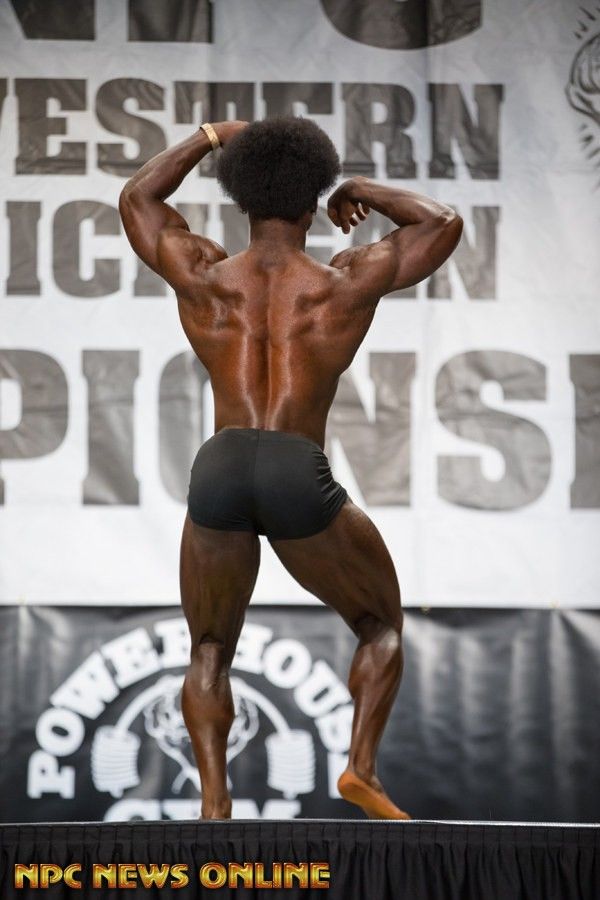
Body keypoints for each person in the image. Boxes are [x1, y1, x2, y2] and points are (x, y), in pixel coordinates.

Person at [119, 117, 462, 820]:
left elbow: (137, 199)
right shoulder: (344, 282)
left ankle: (214, 805)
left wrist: (210, 136)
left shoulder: (203, 273)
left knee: (209, 646)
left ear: (241, 199)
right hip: (293, 467)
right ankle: (360, 769)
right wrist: (360, 188)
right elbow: (442, 223)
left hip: (218, 466)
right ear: (313, 202)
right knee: (379, 624)